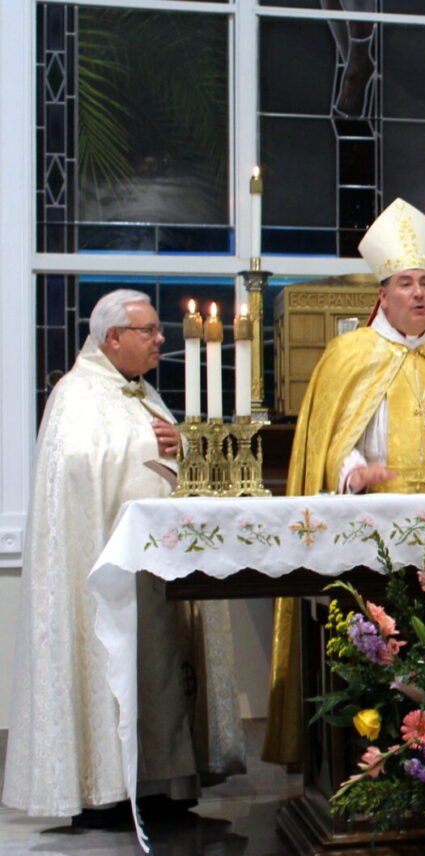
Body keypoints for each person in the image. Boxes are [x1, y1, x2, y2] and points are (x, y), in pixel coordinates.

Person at [263, 198, 425, 766]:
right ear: (382, 293)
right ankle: (373, 756)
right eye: (406, 283)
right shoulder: (350, 355)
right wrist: (352, 472)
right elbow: (333, 444)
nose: (419, 294)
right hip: (373, 525)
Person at [2, 290, 244, 823]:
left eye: (159, 330)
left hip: (158, 564)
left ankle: (164, 786)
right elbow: (82, 469)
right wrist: (149, 449)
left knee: (162, 670)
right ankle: (107, 788)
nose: (161, 341)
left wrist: (181, 444)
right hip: (107, 570)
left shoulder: (139, 393)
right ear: (113, 338)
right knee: (124, 669)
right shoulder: (77, 395)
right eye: (149, 331)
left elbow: (159, 456)